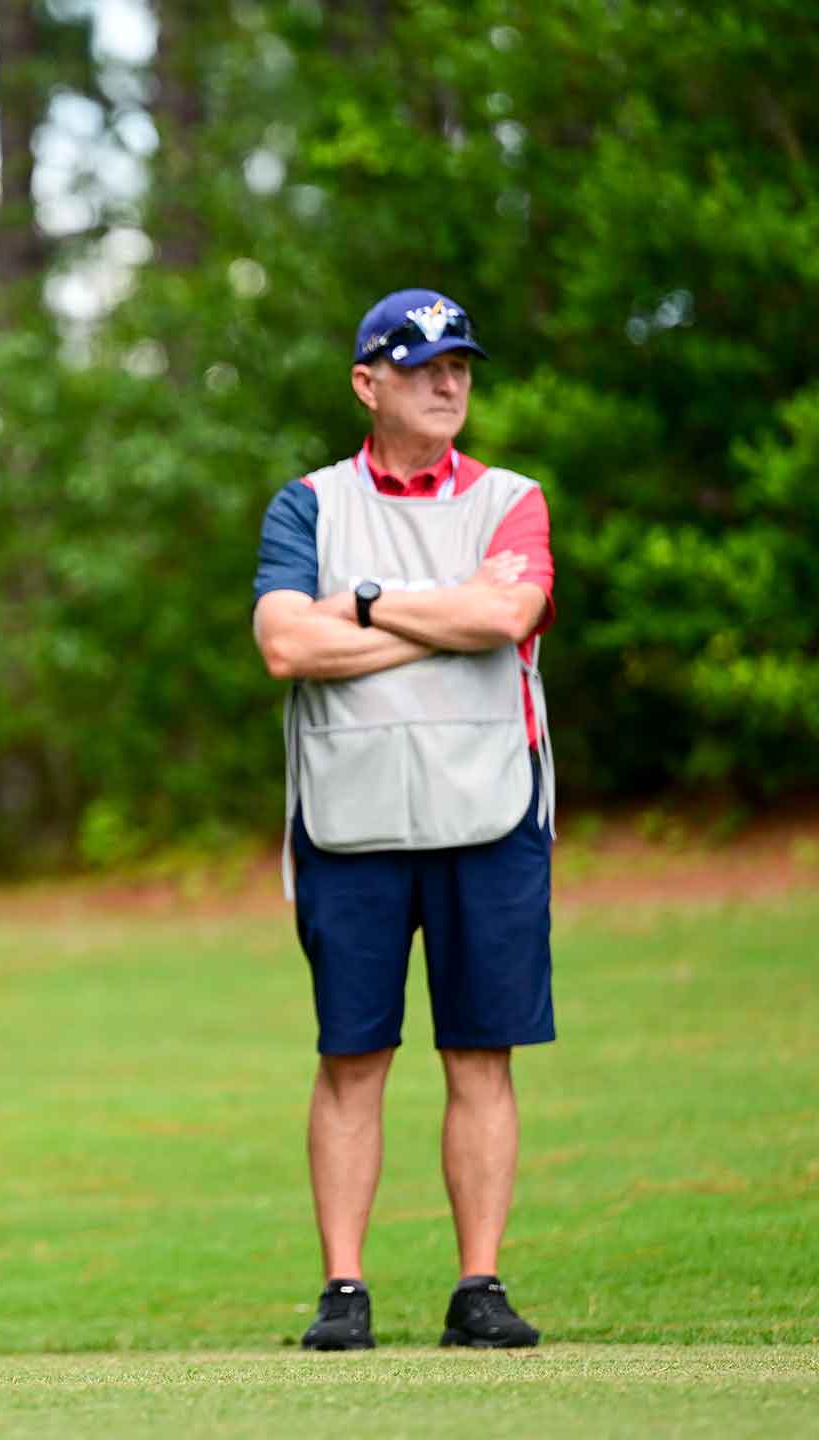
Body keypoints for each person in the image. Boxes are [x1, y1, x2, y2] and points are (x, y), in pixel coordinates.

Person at [250, 288, 557, 1351]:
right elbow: (286, 645)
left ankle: (479, 1287)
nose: (447, 382)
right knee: (352, 1060)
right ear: (364, 382)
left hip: (490, 812)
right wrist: (447, 619)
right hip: (349, 820)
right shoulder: (308, 505)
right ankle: (344, 1291)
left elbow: (507, 613)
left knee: (482, 1056)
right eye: (421, 365)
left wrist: (369, 606)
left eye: (460, 364)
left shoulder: (512, 498)